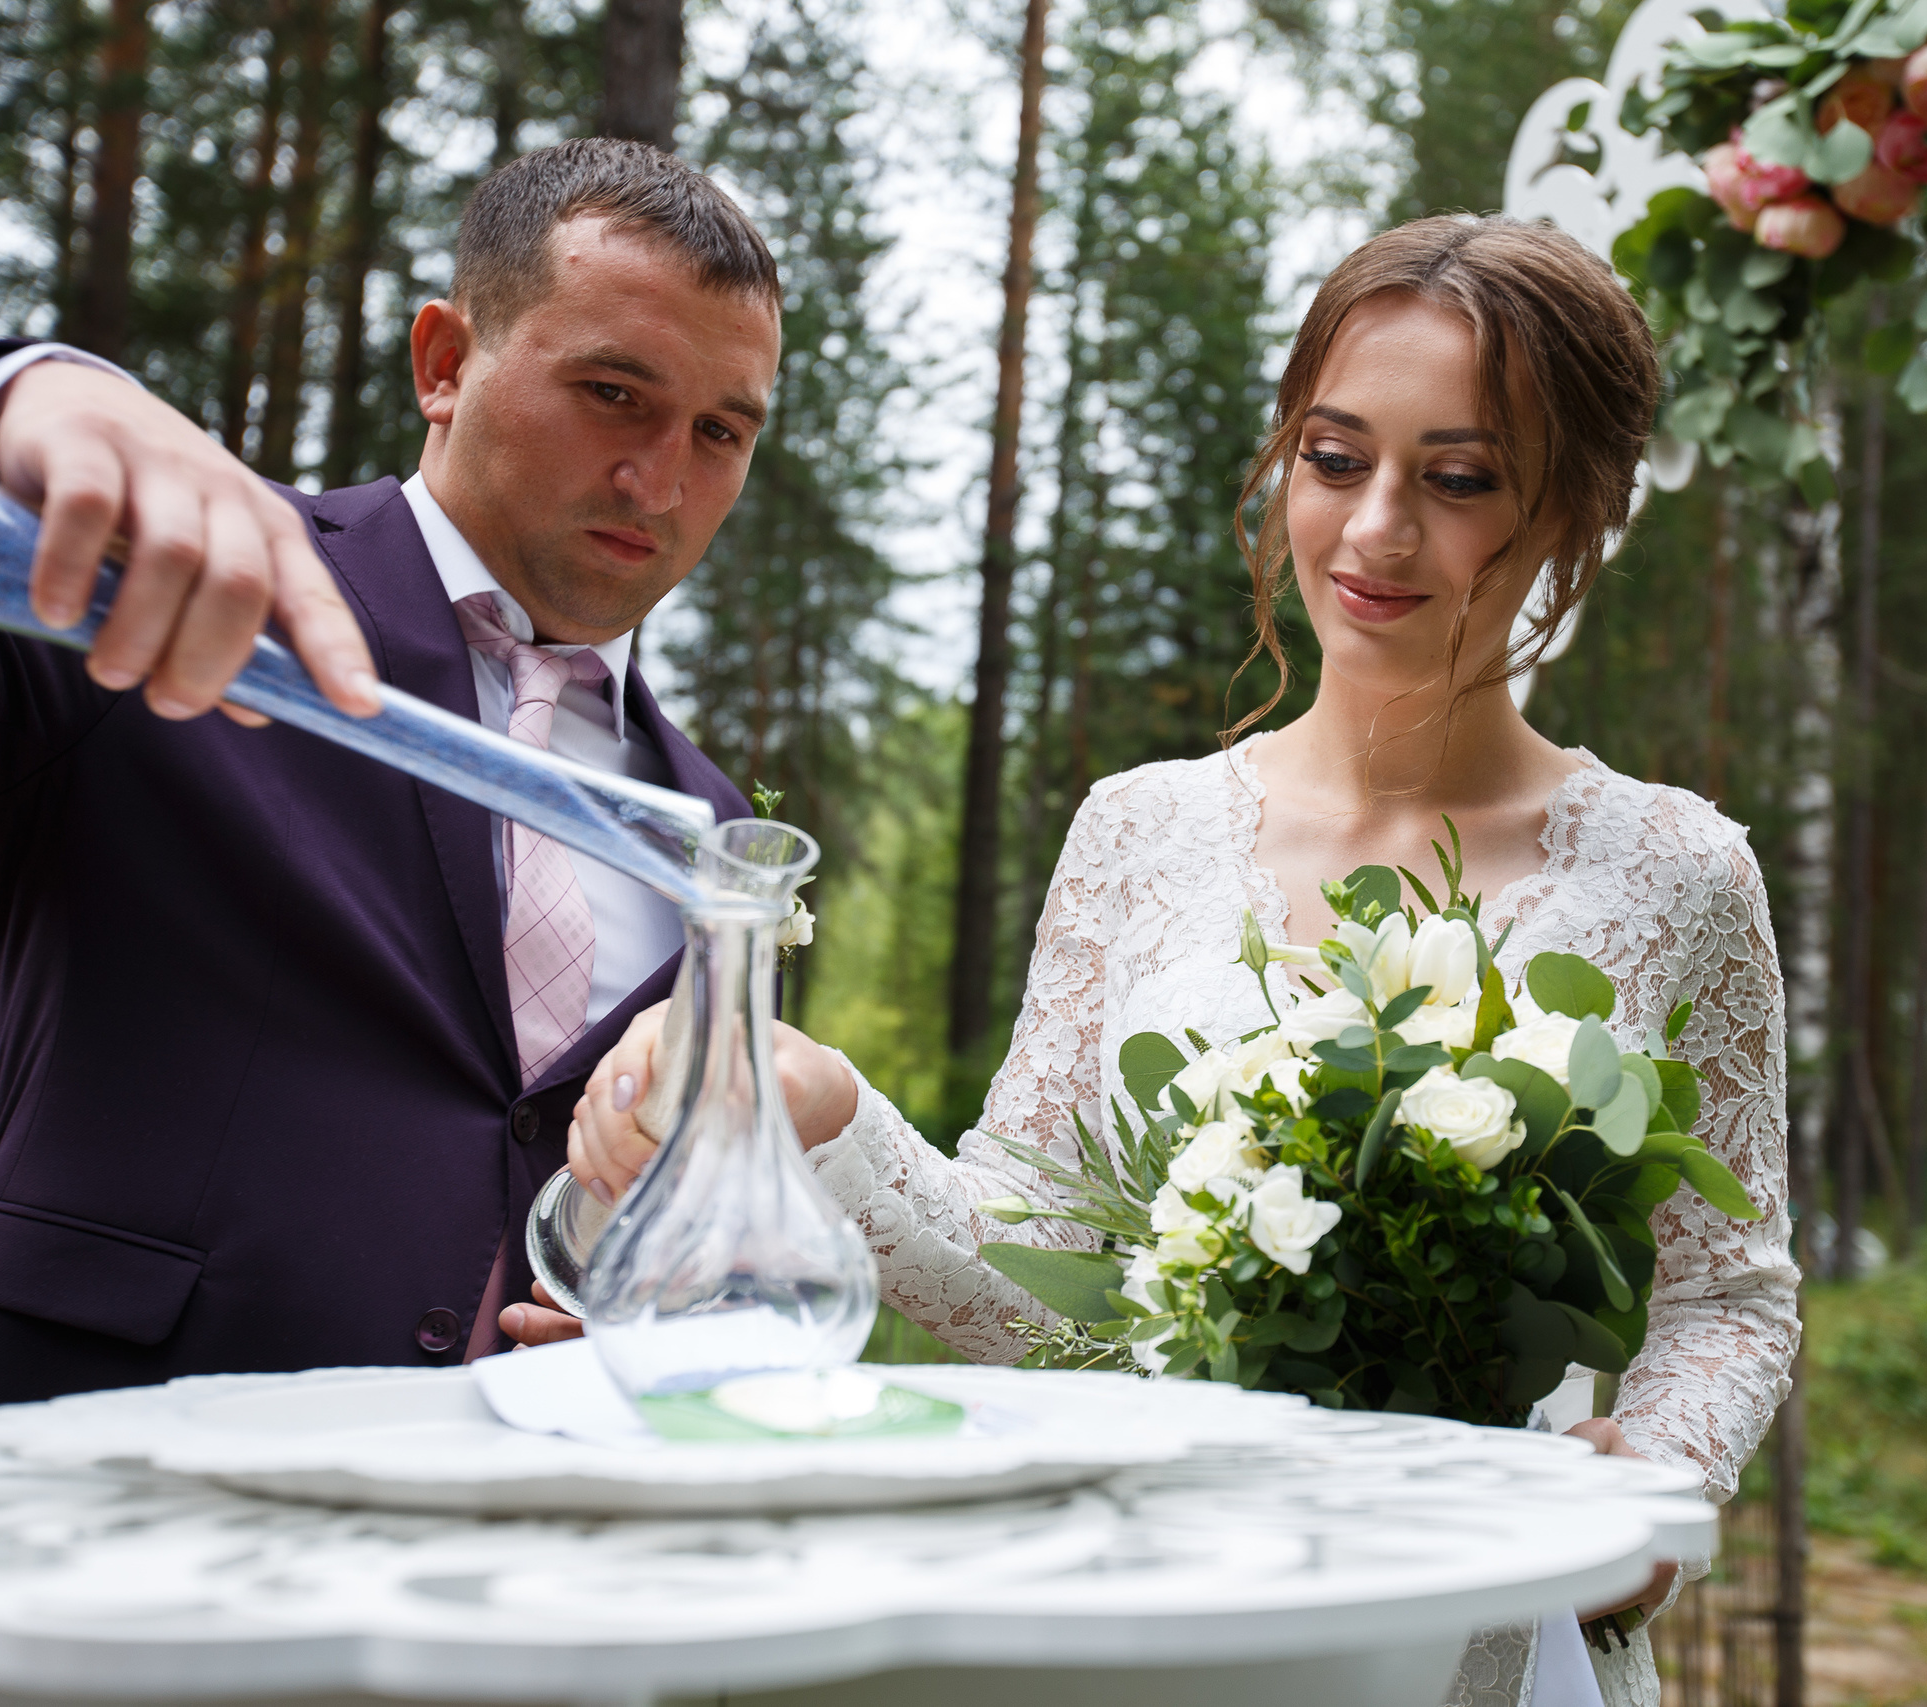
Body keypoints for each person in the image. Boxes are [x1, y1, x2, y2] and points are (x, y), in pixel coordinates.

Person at [557, 216, 1801, 1707]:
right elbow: (1038, 1281)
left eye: (1458, 480)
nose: (1375, 531)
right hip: (1155, 1618)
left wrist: (1653, 1491)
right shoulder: (1138, 832)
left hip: (1491, 1628)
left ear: (1571, 511)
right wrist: (821, 1104)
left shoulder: (1674, 870)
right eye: (1336, 460)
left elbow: (1728, 1296)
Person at [0, 138, 777, 1430]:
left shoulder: (710, 821)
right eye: (613, 392)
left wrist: (647, 1292)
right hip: (75, 1480)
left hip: (495, 1543)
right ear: (445, 362)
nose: (661, 479)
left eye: (721, 431)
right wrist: (3, 398)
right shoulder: (180, 580)